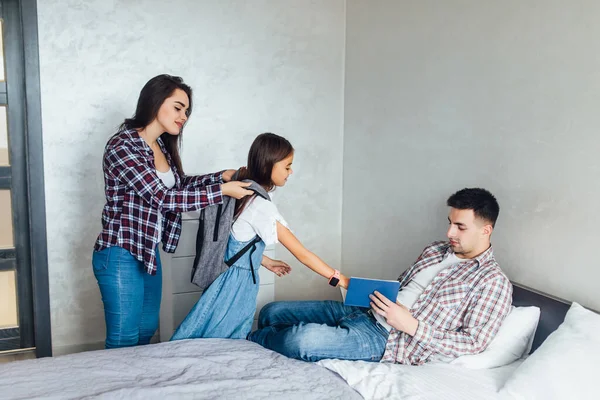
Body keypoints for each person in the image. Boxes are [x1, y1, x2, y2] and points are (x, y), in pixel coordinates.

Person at [249, 188, 513, 365]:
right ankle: (280, 334)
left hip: (386, 339)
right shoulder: (435, 250)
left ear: (485, 230)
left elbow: (473, 343)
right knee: (272, 311)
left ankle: (251, 341)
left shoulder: (492, 281)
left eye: (460, 226)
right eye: (450, 222)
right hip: (363, 310)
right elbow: (402, 286)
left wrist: (411, 325)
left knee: (299, 340)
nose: (449, 233)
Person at [92, 74, 255, 349]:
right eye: (178, 107)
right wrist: (222, 191)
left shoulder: (161, 149)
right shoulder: (123, 146)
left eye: (187, 111)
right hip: (119, 251)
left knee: (146, 333)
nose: (184, 116)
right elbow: (162, 197)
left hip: (147, 251)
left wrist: (222, 176)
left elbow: (179, 184)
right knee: (124, 340)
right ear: (155, 102)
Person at [171, 132, 350, 341]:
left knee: (213, 337)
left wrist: (264, 261)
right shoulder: (261, 206)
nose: (290, 172)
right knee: (219, 342)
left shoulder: (246, 191)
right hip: (235, 285)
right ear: (269, 165)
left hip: (229, 277)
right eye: (287, 166)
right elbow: (302, 254)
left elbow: (237, 241)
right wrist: (340, 279)